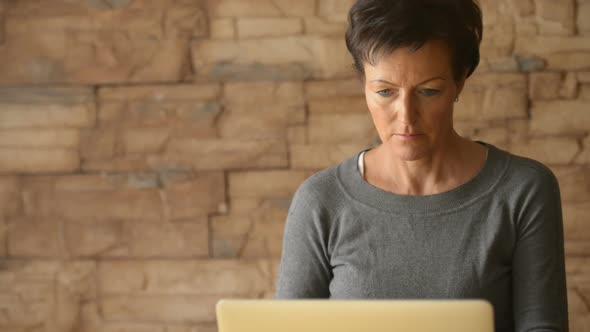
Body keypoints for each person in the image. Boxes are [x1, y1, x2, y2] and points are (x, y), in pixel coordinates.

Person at [275, 0, 569, 331]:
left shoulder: (523, 190)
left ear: (460, 80)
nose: (406, 117)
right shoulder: (321, 200)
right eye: (385, 92)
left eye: (429, 91)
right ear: (363, 84)